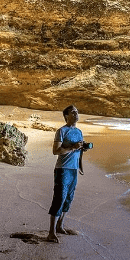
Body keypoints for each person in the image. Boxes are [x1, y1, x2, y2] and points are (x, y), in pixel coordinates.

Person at [47, 104, 85, 243]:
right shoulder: (61, 131)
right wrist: (72, 147)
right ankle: (51, 232)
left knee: (69, 198)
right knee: (59, 198)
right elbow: (56, 151)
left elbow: (79, 152)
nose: (76, 114)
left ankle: (60, 225)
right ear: (66, 116)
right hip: (62, 168)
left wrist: (80, 165)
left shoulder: (80, 132)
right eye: (73, 112)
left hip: (73, 169)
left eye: (77, 112)